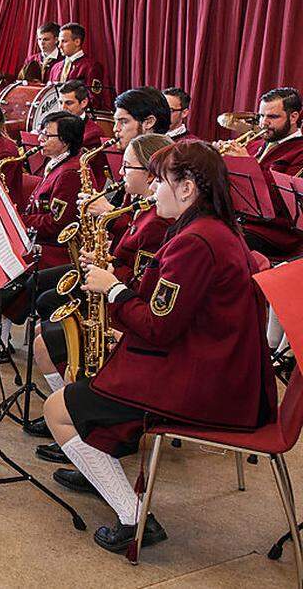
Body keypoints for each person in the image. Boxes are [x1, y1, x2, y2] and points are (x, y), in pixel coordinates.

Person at [43, 140, 276, 555]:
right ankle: (101, 462)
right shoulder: (211, 229)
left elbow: (159, 327)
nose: (151, 191)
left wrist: (114, 291)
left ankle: (135, 517)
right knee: (83, 388)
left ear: (187, 188)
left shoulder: (195, 242)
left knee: (58, 410)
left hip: (205, 385)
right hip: (217, 368)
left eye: (160, 182)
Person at [25, 134, 174, 456]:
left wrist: (108, 276)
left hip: (126, 313)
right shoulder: (143, 210)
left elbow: (143, 285)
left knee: (44, 336)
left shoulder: (158, 220)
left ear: (151, 173)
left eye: (127, 166)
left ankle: (81, 426)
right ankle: (72, 418)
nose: (120, 173)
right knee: (44, 327)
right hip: (117, 298)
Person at [231, 87, 303, 261]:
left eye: (272, 117)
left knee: (224, 246)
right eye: (261, 116)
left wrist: (248, 164)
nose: (263, 123)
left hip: (274, 232)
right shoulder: (253, 145)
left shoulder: (300, 151)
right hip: (241, 221)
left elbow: (283, 201)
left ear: (294, 117)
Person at [22, 111, 86, 269]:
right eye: (41, 132)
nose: (40, 139)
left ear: (65, 141)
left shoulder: (69, 174)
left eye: (47, 135)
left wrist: (21, 221)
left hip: (55, 249)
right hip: (40, 235)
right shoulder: (58, 162)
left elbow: (56, 224)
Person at [48, 23, 105, 95]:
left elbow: (94, 98)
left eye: (64, 41)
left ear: (77, 42)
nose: (59, 46)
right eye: (59, 42)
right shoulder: (55, 67)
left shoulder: (91, 67)